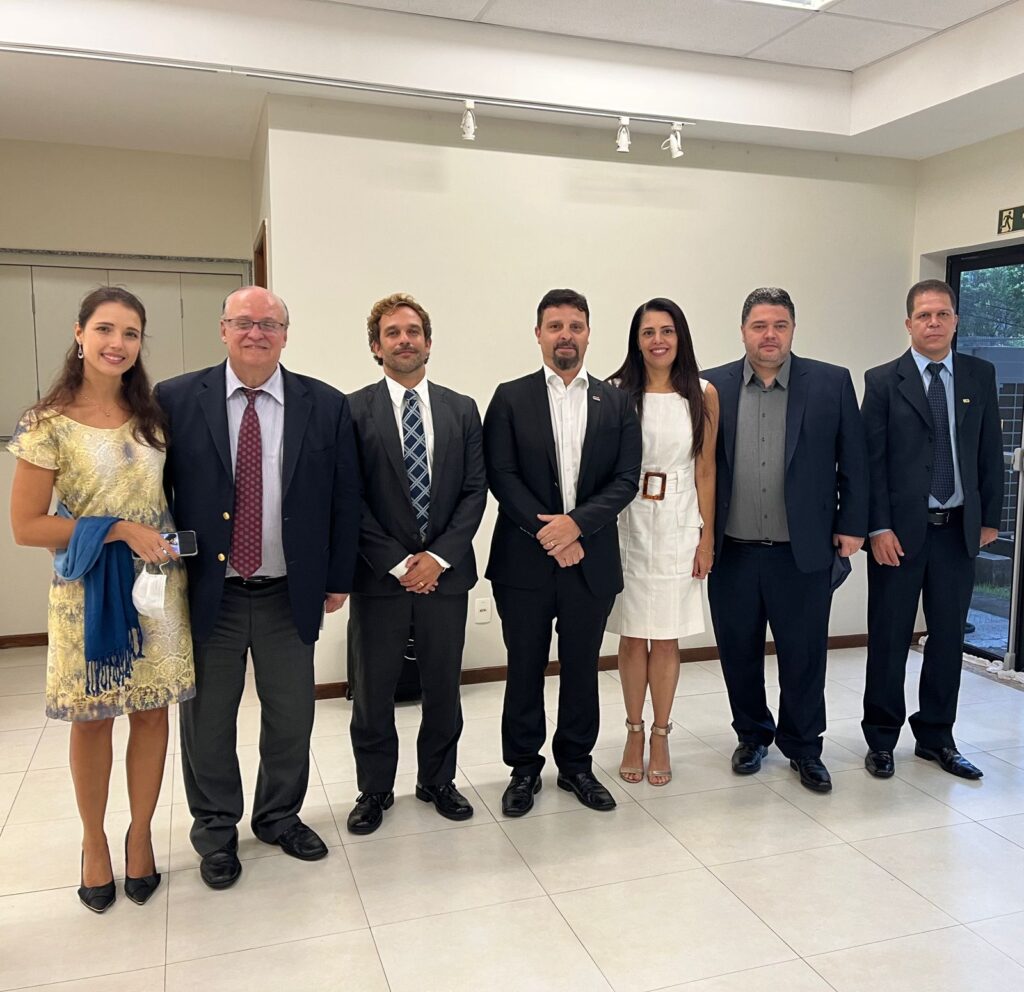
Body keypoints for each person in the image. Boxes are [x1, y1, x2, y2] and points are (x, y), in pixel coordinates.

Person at [154, 286, 360, 889]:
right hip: (208, 592)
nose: (256, 332)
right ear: (222, 329)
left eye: (269, 323)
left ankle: (278, 816)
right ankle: (216, 831)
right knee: (208, 721)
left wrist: (338, 577)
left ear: (286, 334)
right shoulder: (175, 398)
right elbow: (156, 493)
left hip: (286, 590)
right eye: (244, 322)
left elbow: (344, 497)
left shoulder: (324, 404)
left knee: (292, 715)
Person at [9, 286, 195, 912]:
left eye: (132, 333)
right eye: (106, 329)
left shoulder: (155, 416)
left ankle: (140, 837)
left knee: (151, 713)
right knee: (92, 722)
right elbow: (27, 525)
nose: (118, 344)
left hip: (155, 590)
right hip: (86, 590)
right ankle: (94, 844)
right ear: (80, 333)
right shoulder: (47, 423)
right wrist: (116, 529)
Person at [484, 288, 641, 816]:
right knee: (523, 666)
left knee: (582, 669)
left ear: (589, 334)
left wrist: (576, 527)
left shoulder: (616, 401)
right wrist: (549, 534)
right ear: (538, 335)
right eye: (555, 326)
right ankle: (523, 769)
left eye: (576, 326)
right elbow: (500, 475)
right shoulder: (510, 397)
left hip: (590, 561)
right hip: (523, 564)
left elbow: (625, 480)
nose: (565, 335)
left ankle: (576, 764)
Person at [704, 287, 867, 793]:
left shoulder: (830, 382)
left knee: (804, 653)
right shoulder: (713, 386)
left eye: (779, 325)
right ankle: (752, 735)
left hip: (804, 551)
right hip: (733, 551)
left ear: (793, 329)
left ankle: (804, 746)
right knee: (738, 650)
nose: (769, 335)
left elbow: (854, 462)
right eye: (759, 326)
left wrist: (853, 526)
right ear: (743, 331)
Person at [345, 293, 487, 834]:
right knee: (374, 690)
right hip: (380, 578)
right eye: (392, 333)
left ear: (428, 341)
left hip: (446, 578)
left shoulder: (462, 408)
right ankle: (374, 789)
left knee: (443, 687)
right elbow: (349, 497)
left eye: (413, 331)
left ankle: (438, 780)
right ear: (376, 347)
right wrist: (401, 562)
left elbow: (475, 491)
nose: (404, 340)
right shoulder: (353, 410)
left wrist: (437, 558)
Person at [861, 280, 1002, 780]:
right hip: (898, 535)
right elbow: (870, 463)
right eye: (924, 315)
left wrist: (990, 520)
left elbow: (990, 451)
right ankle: (880, 738)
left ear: (956, 320)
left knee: (947, 640)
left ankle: (937, 737)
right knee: (890, 638)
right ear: (908, 324)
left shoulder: (978, 376)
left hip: (957, 532)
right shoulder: (882, 381)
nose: (934, 323)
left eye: (943, 314)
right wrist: (876, 526)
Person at [606, 298, 718, 786]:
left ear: (681, 337)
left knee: (667, 634)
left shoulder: (704, 392)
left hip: (678, 519)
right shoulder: (614, 392)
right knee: (632, 633)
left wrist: (706, 537)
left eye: (667, 331)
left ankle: (662, 733)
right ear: (636, 339)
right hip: (627, 520)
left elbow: (706, 468)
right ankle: (633, 730)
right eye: (648, 332)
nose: (658, 340)